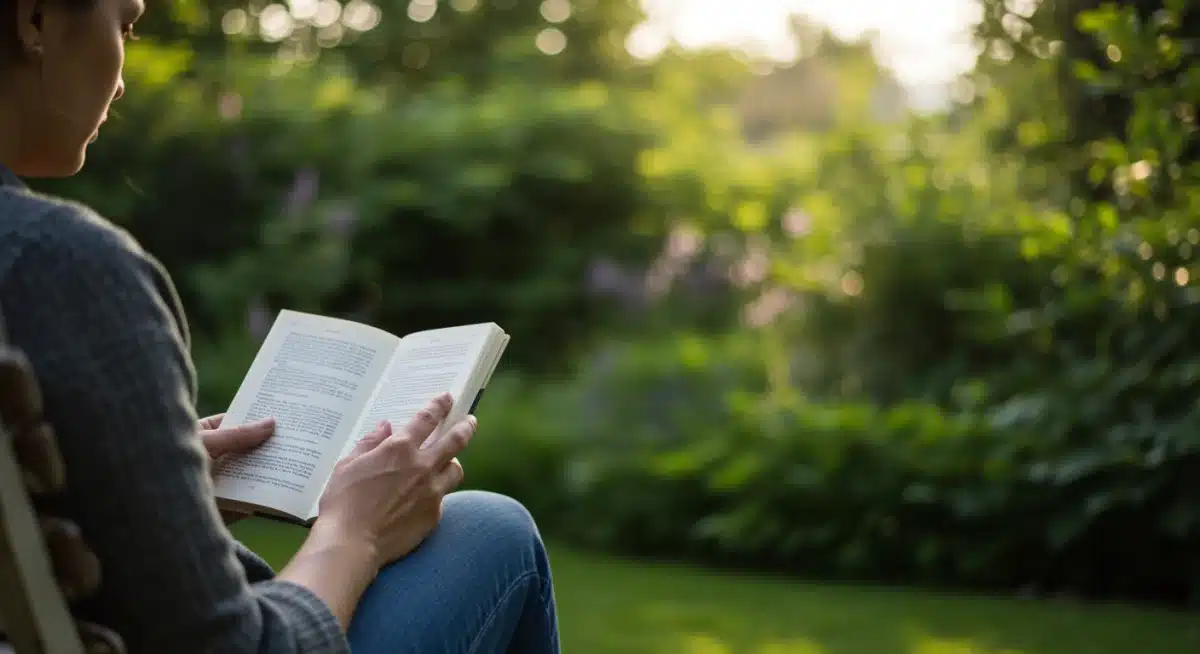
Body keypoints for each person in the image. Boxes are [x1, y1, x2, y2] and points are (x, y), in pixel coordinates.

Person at [0, 0, 561, 650]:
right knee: (494, 531)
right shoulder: (56, 267)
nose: (122, 80)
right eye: (125, 26)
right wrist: (355, 532)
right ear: (35, 20)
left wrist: (164, 494)